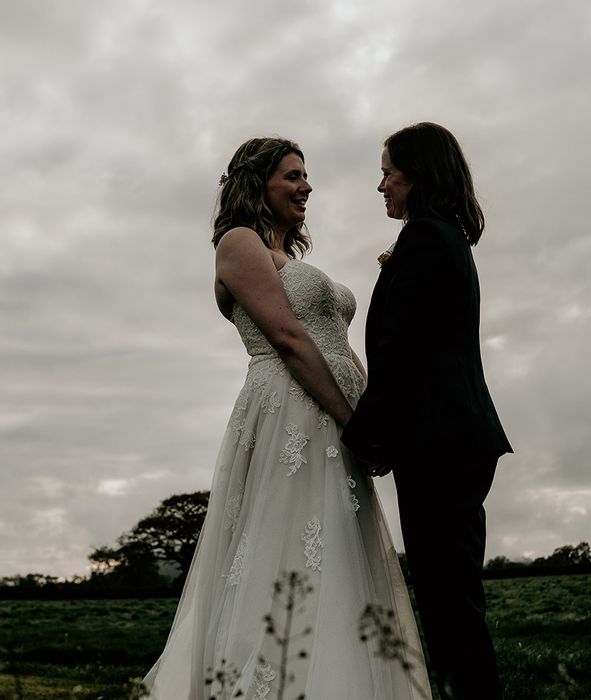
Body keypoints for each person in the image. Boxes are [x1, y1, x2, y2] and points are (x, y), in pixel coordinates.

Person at [143, 137, 430, 699]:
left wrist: (376, 417)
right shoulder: (238, 242)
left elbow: (338, 346)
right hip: (292, 416)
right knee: (289, 553)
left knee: (339, 555)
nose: (307, 186)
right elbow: (289, 338)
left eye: (306, 176)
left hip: (335, 420)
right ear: (258, 182)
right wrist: (353, 420)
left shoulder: (290, 260)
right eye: (293, 176)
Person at [341, 122, 513, 700]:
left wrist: (360, 437)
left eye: (388, 172)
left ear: (416, 176)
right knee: (450, 600)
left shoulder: (428, 240)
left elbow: (402, 353)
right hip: (452, 441)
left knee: (450, 608)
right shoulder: (443, 237)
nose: (382, 185)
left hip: (441, 444)